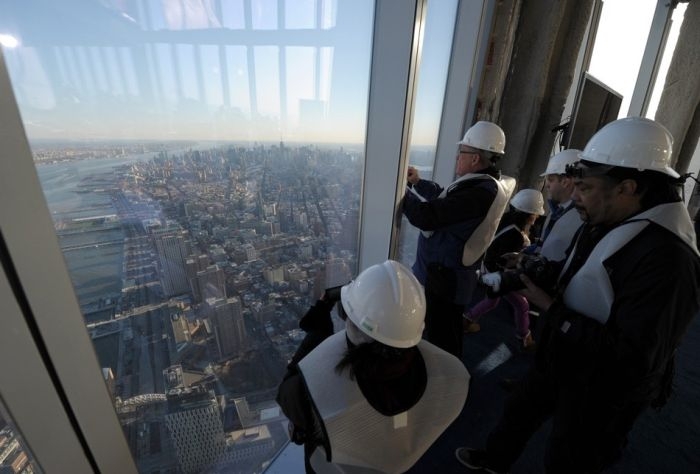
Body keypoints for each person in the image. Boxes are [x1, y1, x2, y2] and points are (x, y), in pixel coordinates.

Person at [456, 117, 700, 473]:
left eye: (584, 188)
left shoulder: (669, 261)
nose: (575, 197)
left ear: (627, 187)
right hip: (564, 355)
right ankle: (495, 459)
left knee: (572, 456)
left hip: (601, 390)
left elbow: (633, 358)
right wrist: (530, 274)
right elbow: (580, 272)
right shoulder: (615, 219)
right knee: (521, 410)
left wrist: (548, 307)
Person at [277, 260, 469, 474]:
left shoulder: (314, 388)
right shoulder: (452, 373)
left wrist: (316, 334)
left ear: (350, 321)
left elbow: (286, 395)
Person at [402, 121, 516, 357]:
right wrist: (418, 184)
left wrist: (398, 190)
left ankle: (446, 384)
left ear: (475, 159)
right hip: (452, 276)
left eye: (461, 153)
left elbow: (428, 216)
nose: (456, 158)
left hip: (446, 279)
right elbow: (449, 201)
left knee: (441, 340)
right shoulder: (484, 185)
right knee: (446, 333)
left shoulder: (480, 192)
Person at [463, 189, 545, 352]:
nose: (537, 217)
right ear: (530, 215)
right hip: (496, 274)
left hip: (487, 269)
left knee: (492, 301)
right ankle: (524, 339)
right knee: (522, 305)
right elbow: (506, 260)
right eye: (536, 214)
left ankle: (466, 320)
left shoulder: (505, 220)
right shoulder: (515, 235)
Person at [535, 148, 585, 261]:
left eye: (551, 180)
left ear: (565, 182)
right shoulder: (557, 212)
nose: (547, 185)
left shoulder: (581, 217)